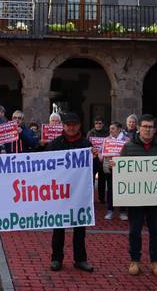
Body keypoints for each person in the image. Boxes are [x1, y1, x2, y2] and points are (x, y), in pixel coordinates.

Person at [112, 114, 157, 278]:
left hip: (156, 199)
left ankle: (155, 261)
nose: (147, 130)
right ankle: (135, 260)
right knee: (134, 230)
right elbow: (121, 172)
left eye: (150, 127)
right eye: (144, 126)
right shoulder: (128, 148)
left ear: (155, 129)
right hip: (135, 199)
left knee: (155, 231)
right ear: (138, 128)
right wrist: (115, 166)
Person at [48, 113, 96, 273]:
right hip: (60, 193)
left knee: (80, 229)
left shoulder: (85, 144)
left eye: (74, 124)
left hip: (79, 193)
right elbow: (45, 165)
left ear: (79, 126)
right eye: (68, 124)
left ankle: (80, 259)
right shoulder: (55, 143)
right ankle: (56, 259)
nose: (71, 127)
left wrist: (95, 157)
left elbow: (93, 169)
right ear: (63, 126)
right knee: (58, 228)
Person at [102, 122, 128, 221]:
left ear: (119, 129)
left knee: (122, 188)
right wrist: (101, 155)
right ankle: (110, 210)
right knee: (110, 189)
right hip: (109, 167)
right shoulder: (107, 140)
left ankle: (122, 211)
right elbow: (101, 152)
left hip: (122, 168)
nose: (110, 131)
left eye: (113, 128)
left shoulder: (126, 140)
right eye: (110, 128)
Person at [87, 116, 108, 203]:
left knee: (102, 180)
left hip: (103, 159)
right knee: (91, 180)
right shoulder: (90, 133)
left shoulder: (107, 133)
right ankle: (90, 198)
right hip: (93, 159)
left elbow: (108, 145)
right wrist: (95, 153)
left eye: (100, 123)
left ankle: (102, 198)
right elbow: (87, 145)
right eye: (96, 123)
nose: (98, 125)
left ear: (103, 124)